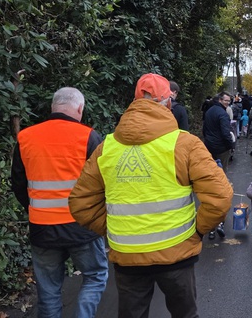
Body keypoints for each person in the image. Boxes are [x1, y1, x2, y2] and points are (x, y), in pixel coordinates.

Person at [68, 73, 233, 318]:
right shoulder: (185, 144)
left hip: (128, 258)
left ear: (134, 102)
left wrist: (115, 230)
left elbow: (80, 203)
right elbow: (220, 195)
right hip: (177, 253)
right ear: (168, 103)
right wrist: (197, 230)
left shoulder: (107, 147)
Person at [11, 87, 108, 318]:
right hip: (81, 226)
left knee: (48, 289)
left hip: (42, 227)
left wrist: (34, 207)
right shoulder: (89, 136)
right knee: (95, 276)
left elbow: (17, 182)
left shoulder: (26, 137)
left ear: (53, 107)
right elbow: (104, 182)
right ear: (80, 108)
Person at [203, 91, 235, 171]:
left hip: (209, 145)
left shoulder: (209, 111)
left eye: (229, 101)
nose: (228, 103)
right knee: (222, 171)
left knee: (211, 170)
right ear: (220, 100)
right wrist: (230, 146)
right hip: (221, 148)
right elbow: (225, 133)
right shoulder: (223, 114)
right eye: (226, 100)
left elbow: (204, 128)